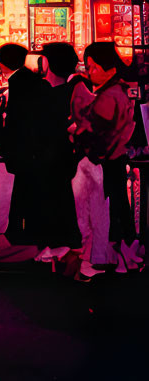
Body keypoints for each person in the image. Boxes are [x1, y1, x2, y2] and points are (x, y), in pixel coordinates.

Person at [70, 42, 139, 277]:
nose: (90, 72)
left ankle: (116, 259)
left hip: (106, 162)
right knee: (118, 207)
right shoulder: (116, 91)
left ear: (107, 67)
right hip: (115, 160)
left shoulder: (109, 96)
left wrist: (80, 139)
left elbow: (98, 133)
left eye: (93, 67)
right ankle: (123, 257)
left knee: (110, 212)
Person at [34, 43, 85, 261]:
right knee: (59, 196)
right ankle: (62, 241)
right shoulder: (70, 90)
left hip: (52, 153)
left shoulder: (51, 94)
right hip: (62, 152)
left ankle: (59, 243)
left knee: (54, 196)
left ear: (48, 63)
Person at [0, 43, 51, 245]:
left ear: (2, 63)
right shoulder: (30, 78)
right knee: (26, 188)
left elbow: (17, 119)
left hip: (25, 147)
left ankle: (20, 231)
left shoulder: (19, 82)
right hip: (34, 146)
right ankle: (21, 229)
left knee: (24, 188)